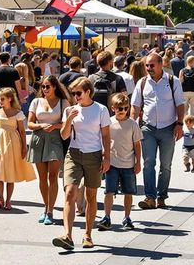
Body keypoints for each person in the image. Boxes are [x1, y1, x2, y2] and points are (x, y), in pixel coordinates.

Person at [54, 79, 111, 251]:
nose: (75, 96)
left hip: (93, 155)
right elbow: (64, 136)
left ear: (88, 92)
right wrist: (69, 119)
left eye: (78, 93)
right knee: (70, 192)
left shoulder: (101, 110)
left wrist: (106, 158)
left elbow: (106, 136)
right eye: (73, 93)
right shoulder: (70, 110)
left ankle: (87, 234)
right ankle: (67, 235)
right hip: (74, 153)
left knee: (91, 196)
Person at [133, 53, 185, 210]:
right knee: (148, 163)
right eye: (147, 65)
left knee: (166, 165)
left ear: (161, 64)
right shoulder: (142, 83)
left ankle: (162, 196)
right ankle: (150, 197)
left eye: (152, 65)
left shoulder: (172, 81)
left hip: (168, 128)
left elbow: (180, 104)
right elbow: (135, 106)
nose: (149, 68)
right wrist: (132, 124)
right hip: (147, 128)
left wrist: (180, 124)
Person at [0, 88, 36, 210]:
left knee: (10, 171)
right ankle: (0, 198)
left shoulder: (17, 113)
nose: (0, 101)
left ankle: (8, 200)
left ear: (10, 99)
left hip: (13, 143)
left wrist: (24, 147)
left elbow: (22, 131)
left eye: (2, 99)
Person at [27, 75, 68, 225]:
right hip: (38, 139)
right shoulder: (36, 101)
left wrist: (55, 126)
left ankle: (50, 210)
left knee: (53, 176)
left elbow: (67, 123)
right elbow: (30, 124)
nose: (44, 89)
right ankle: (45, 208)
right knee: (42, 178)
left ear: (55, 87)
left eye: (47, 86)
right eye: (43, 87)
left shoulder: (63, 102)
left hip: (55, 139)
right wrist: (41, 126)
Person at [99, 91, 141, 232]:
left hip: (128, 164)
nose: (122, 111)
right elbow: (103, 140)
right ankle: (107, 217)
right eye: (119, 108)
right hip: (112, 163)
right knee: (109, 191)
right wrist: (104, 157)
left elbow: (137, 144)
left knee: (128, 192)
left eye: (125, 108)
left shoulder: (132, 124)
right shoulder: (109, 123)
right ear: (113, 108)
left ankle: (127, 217)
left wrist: (138, 162)